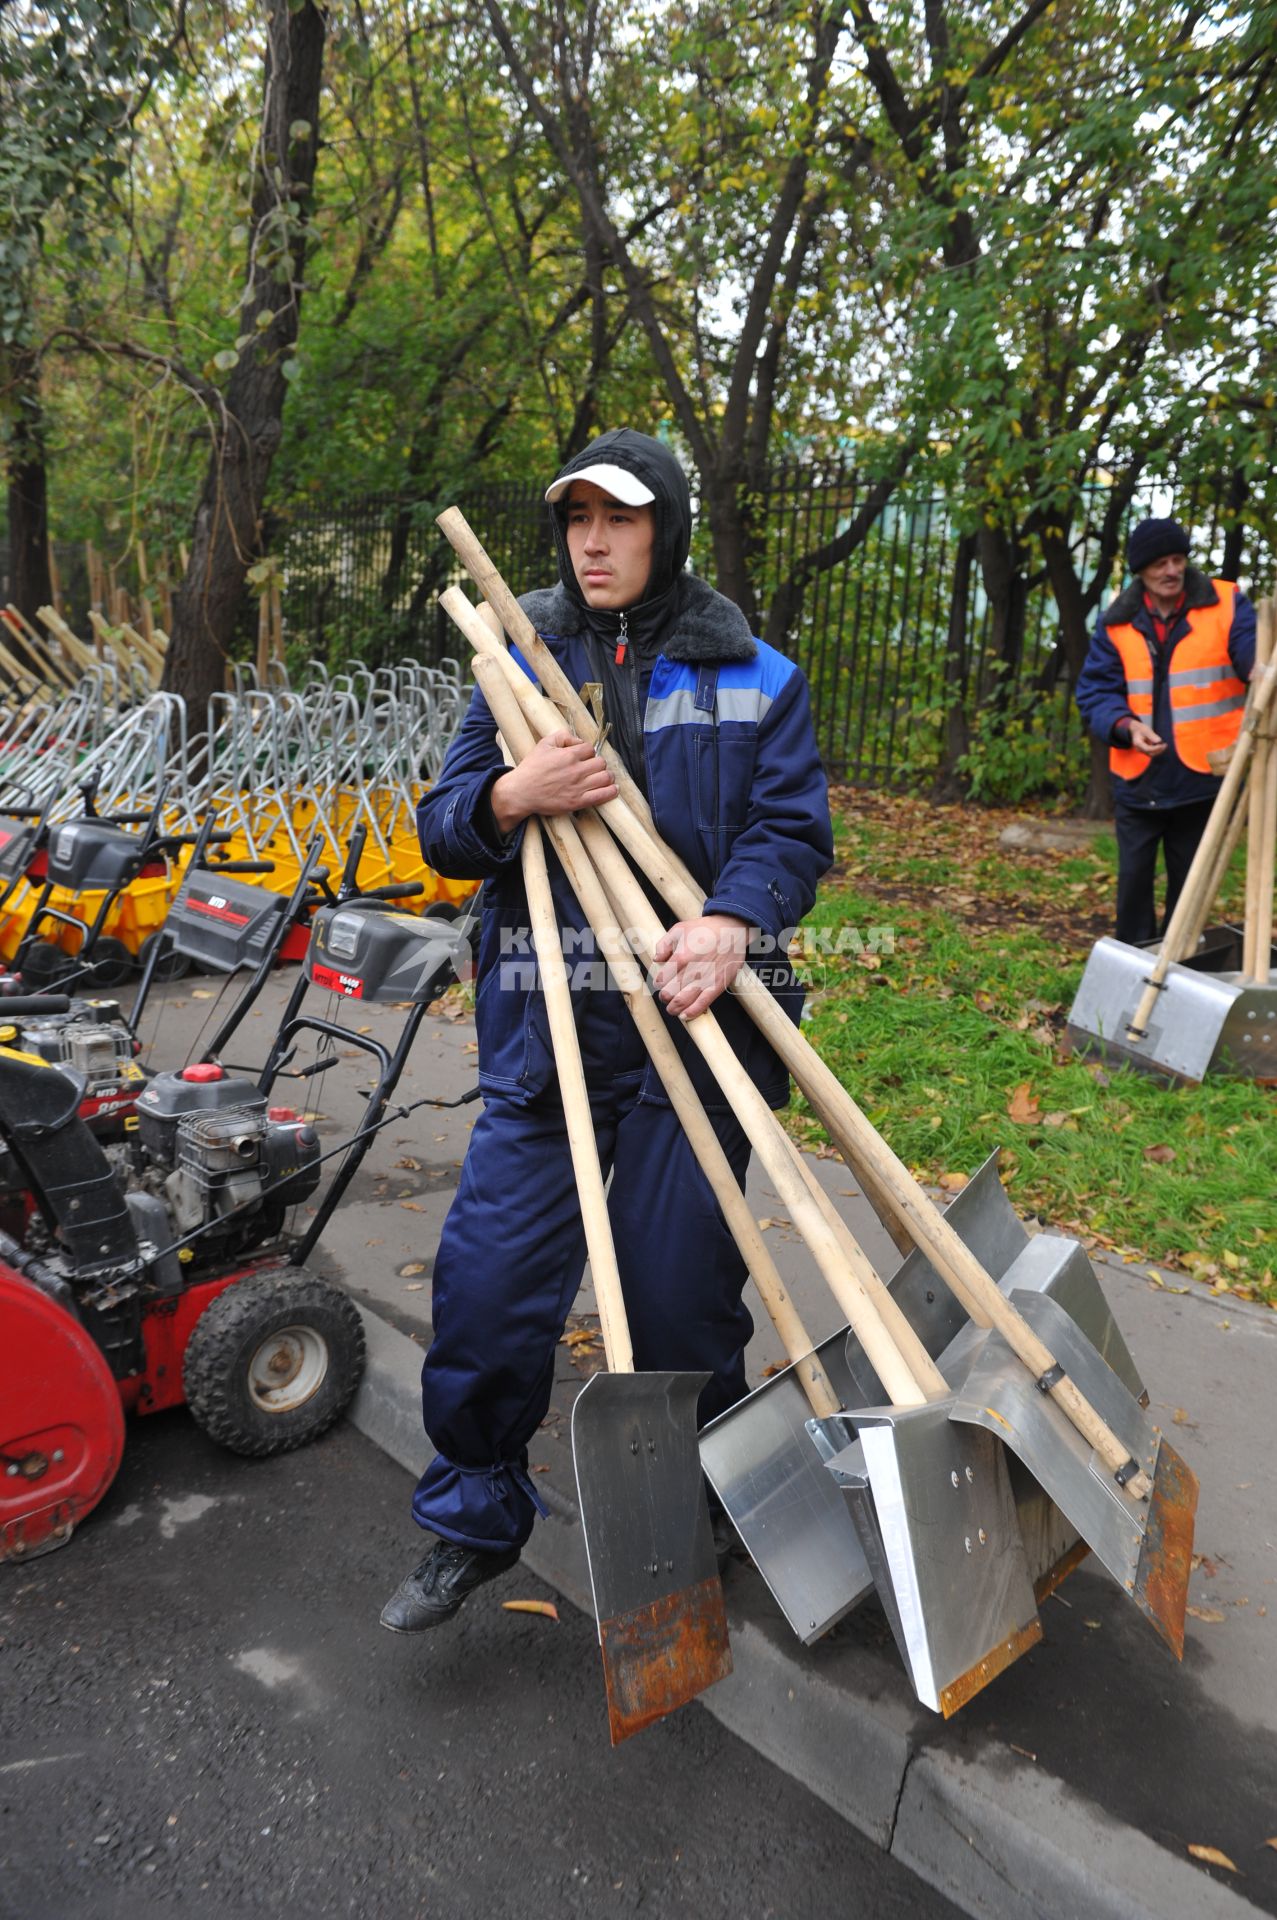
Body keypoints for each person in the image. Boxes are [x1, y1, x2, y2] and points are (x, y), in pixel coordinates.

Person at [380, 428, 833, 1632]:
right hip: (549, 1024)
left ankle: (689, 1508)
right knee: (484, 1289)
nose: (593, 541)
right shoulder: (511, 662)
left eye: (619, 520)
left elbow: (791, 834)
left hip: (698, 1021)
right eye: (576, 519)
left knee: (679, 1298)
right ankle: (472, 1518)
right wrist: (505, 798)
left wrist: (735, 917)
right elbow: (439, 827)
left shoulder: (753, 674)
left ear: (664, 529)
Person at [1076, 516, 1256, 945]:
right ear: (1141, 569)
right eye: (1160, 563)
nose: (1171, 570)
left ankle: (1177, 966)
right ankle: (1135, 967)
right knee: (1133, 886)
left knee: (1190, 889)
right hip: (1138, 779)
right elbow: (1095, 691)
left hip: (1203, 779)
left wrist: (1261, 668)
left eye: (1178, 560)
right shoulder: (1117, 620)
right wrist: (1125, 726)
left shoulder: (1227, 603)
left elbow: (1252, 656)